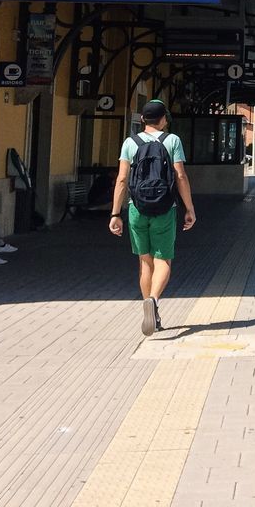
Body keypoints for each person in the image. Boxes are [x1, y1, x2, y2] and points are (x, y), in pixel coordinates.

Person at [109, 100, 195, 336]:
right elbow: (180, 175)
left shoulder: (130, 143)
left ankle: (149, 308)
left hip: (136, 208)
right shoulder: (172, 140)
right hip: (165, 208)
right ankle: (154, 301)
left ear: (143, 120)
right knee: (163, 260)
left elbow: (122, 180)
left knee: (145, 262)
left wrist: (116, 214)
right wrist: (189, 208)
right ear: (164, 119)